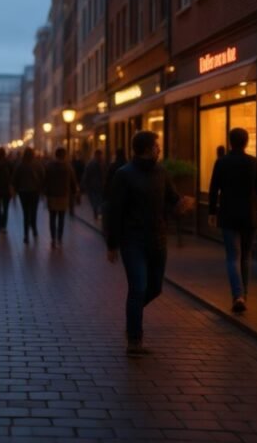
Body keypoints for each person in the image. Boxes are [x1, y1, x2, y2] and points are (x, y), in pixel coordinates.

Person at [105, 131, 194, 357]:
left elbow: (173, 199)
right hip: (132, 240)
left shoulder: (161, 172)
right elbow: (114, 211)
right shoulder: (123, 175)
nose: (159, 149)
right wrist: (112, 244)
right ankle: (134, 340)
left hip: (158, 239)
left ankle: (132, 317)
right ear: (146, 149)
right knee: (138, 288)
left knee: (155, 288)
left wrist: (182, 204)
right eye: (156, 146)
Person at [208, 127, 257, 313]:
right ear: (245, 142)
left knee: (232, 257)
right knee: (246, 256)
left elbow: (213, 189)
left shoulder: (221, 162)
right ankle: (244, 295)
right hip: (249, 216)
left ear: (230, 142)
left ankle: (238, 295)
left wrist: (212, 212)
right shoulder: (254, 163)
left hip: (228, 215)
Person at [44, 148, 78, 249]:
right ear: (64, 155)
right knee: (61, 218)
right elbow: (73, 181)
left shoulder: (49, 166)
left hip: (52, 195)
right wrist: (74, 192)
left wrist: (45, 191)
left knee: (52, 217)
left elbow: (45, 179)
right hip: (63, 195)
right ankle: (59, 238)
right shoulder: (68, 167)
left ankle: (53, 238)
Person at [12, 148, 44, 244]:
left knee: (25, 213)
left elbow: (15, 178)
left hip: (23, 192)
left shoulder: (20, 165)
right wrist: (40, 187)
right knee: (33, 211)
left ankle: (26, 235)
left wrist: (16, 189)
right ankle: (34, 229)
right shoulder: (38, 165)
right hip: (35, 191)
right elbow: (43, 176)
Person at [82, 149, 107, 222]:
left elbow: (86, 174)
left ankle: (97, 212)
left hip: (95, 185)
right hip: (97, 185)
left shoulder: (93, 163)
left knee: (96, 199)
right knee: (97, 199)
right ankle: (98, 212)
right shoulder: (101, 163)